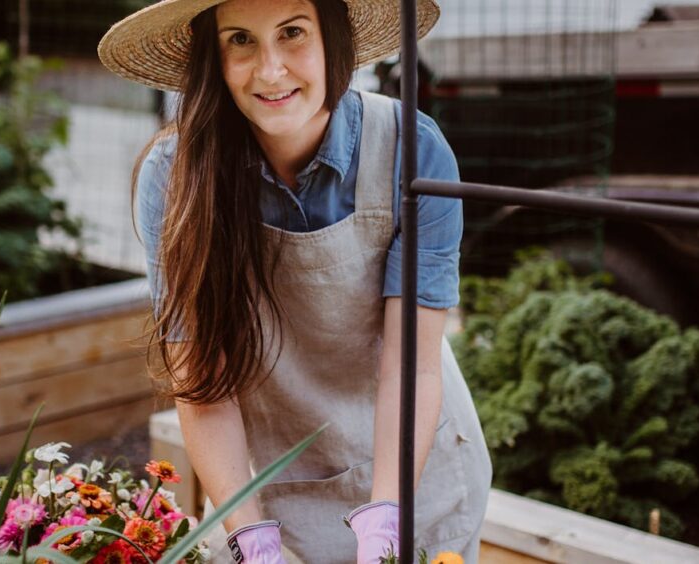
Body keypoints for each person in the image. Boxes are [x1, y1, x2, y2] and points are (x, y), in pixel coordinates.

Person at [98, 0, 491, 561]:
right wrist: (250, 539)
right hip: (270, 489)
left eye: (292, 33)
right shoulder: (175, 177)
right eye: (240, 40)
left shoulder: (413, 150)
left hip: (414, 477)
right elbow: (205, 389)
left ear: (335, 38)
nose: (270, 70)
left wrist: (385, 522)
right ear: (213, 54)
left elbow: (412, 365)